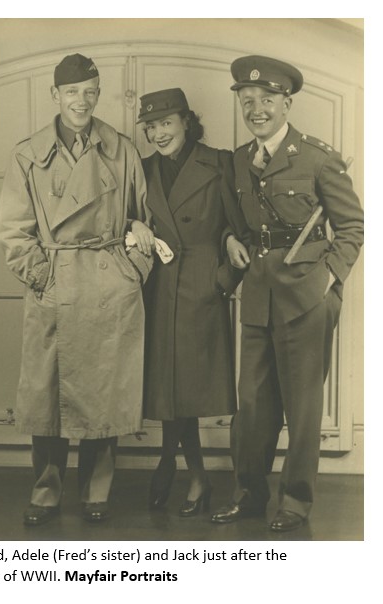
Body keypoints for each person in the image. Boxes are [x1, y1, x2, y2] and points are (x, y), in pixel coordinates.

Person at [0, 53, 154, 525]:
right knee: (46, 396)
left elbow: (144, 216)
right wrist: (44, 278)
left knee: (103, 394)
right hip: (55, 284)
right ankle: (46, 491)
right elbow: (12, 231)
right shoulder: (28, 153)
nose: (81, 101)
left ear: (98, 94)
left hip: (110, 284)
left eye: (89, 91)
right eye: (71, 92)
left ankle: (97, 491)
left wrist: (135, 269)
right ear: (55, 96)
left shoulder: (121, 148)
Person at [211, 56, 364, 531]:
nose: (257, 109)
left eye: (267, 100)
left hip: (306, 298)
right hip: (258, 295)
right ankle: (249, 495)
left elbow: (353, 228)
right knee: (252, 406)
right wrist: (229, 241)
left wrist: (328, 279)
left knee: (302, 406)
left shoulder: (318, 158)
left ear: (286, 103)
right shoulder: (238, 160)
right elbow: (236, 226)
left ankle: (295, 502)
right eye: (247, 101)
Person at [136, 88, 247, 516]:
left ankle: (187, 469)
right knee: (167, 387)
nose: (159, 133)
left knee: (188, 387)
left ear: (186, 121)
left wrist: (222, 279)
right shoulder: (142, 169)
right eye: (151, 126)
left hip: (201, 287)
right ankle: (181, 466)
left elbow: (240, 227)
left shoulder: (219, 163)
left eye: (167, 123)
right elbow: (128, 214)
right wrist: (132, 221)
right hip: (158, 288)